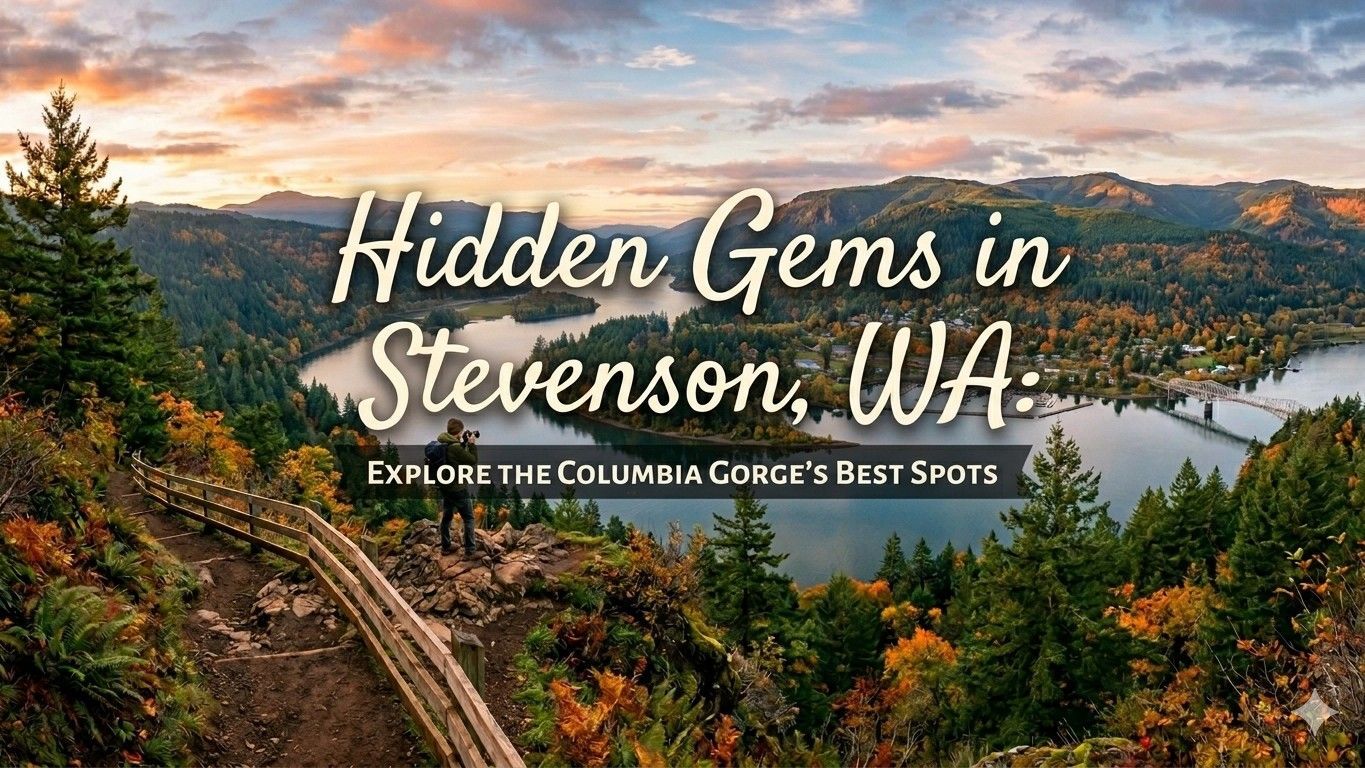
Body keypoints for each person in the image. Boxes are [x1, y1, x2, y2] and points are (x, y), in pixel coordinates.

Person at [436, 417, 478, 556]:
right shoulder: (454, 448)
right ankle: (470, 550)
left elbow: (455, 457)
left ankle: (445, 546)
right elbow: (472, 460)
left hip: (446, 488)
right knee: (469, 518)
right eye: (460, 433)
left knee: (447, 518)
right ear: (459, 432)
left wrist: (463, 443)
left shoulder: (442, 443)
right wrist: (471, 444)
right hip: (458, 489)